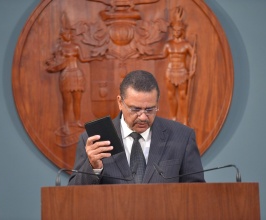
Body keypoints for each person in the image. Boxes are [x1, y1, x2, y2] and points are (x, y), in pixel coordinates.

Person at [69, 70, 204, 184]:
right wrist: (93, 167)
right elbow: (74, 194)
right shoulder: (93, 140)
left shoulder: (182, 137)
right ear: (120, 102)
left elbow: (197, 194)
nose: (143, 117)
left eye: (150, 109)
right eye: (135, 109)